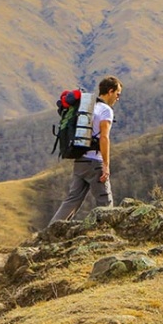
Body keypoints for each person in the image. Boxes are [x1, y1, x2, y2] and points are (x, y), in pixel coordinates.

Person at [49, 76, 123, 224]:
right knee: (105, 202)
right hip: (95, 162)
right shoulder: (106, 110)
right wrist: (106, 165)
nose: (118, 98)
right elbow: (104, 138)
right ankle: (106, 237)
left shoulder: (89, 107)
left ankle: (50, 231)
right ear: (110, 91)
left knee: (72, 201)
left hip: (80, 160)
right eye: (117, 94)